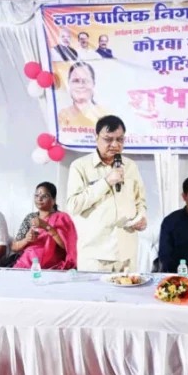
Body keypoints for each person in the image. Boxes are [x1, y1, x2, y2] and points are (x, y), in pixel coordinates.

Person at [67, 115, 147, 272]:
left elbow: (140, 200)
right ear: (96, 137)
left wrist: (142, 217)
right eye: (108, 139)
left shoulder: (130, 166)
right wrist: (106, 182)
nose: (115, 145)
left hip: (127, 253)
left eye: (120, 139)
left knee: (129, 289)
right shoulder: (80, 166)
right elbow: (73, 206)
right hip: (96, 255)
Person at [10, 182, 78, 269]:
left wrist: (47, 227)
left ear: (54, 200)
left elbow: (68, 247)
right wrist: (27, 240)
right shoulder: (30, 217)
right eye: (36, 195)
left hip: (53, 266)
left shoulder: (62, 218)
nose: (39, 199)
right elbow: (14, 247)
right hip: (27, 263)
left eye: (44, 196)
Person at [58, 62, 109, 128]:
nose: (81, 85)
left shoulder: (105, 115)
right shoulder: (62, 116)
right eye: (76, 81)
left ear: (93, 83)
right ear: (68, 83)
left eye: (85, 80)